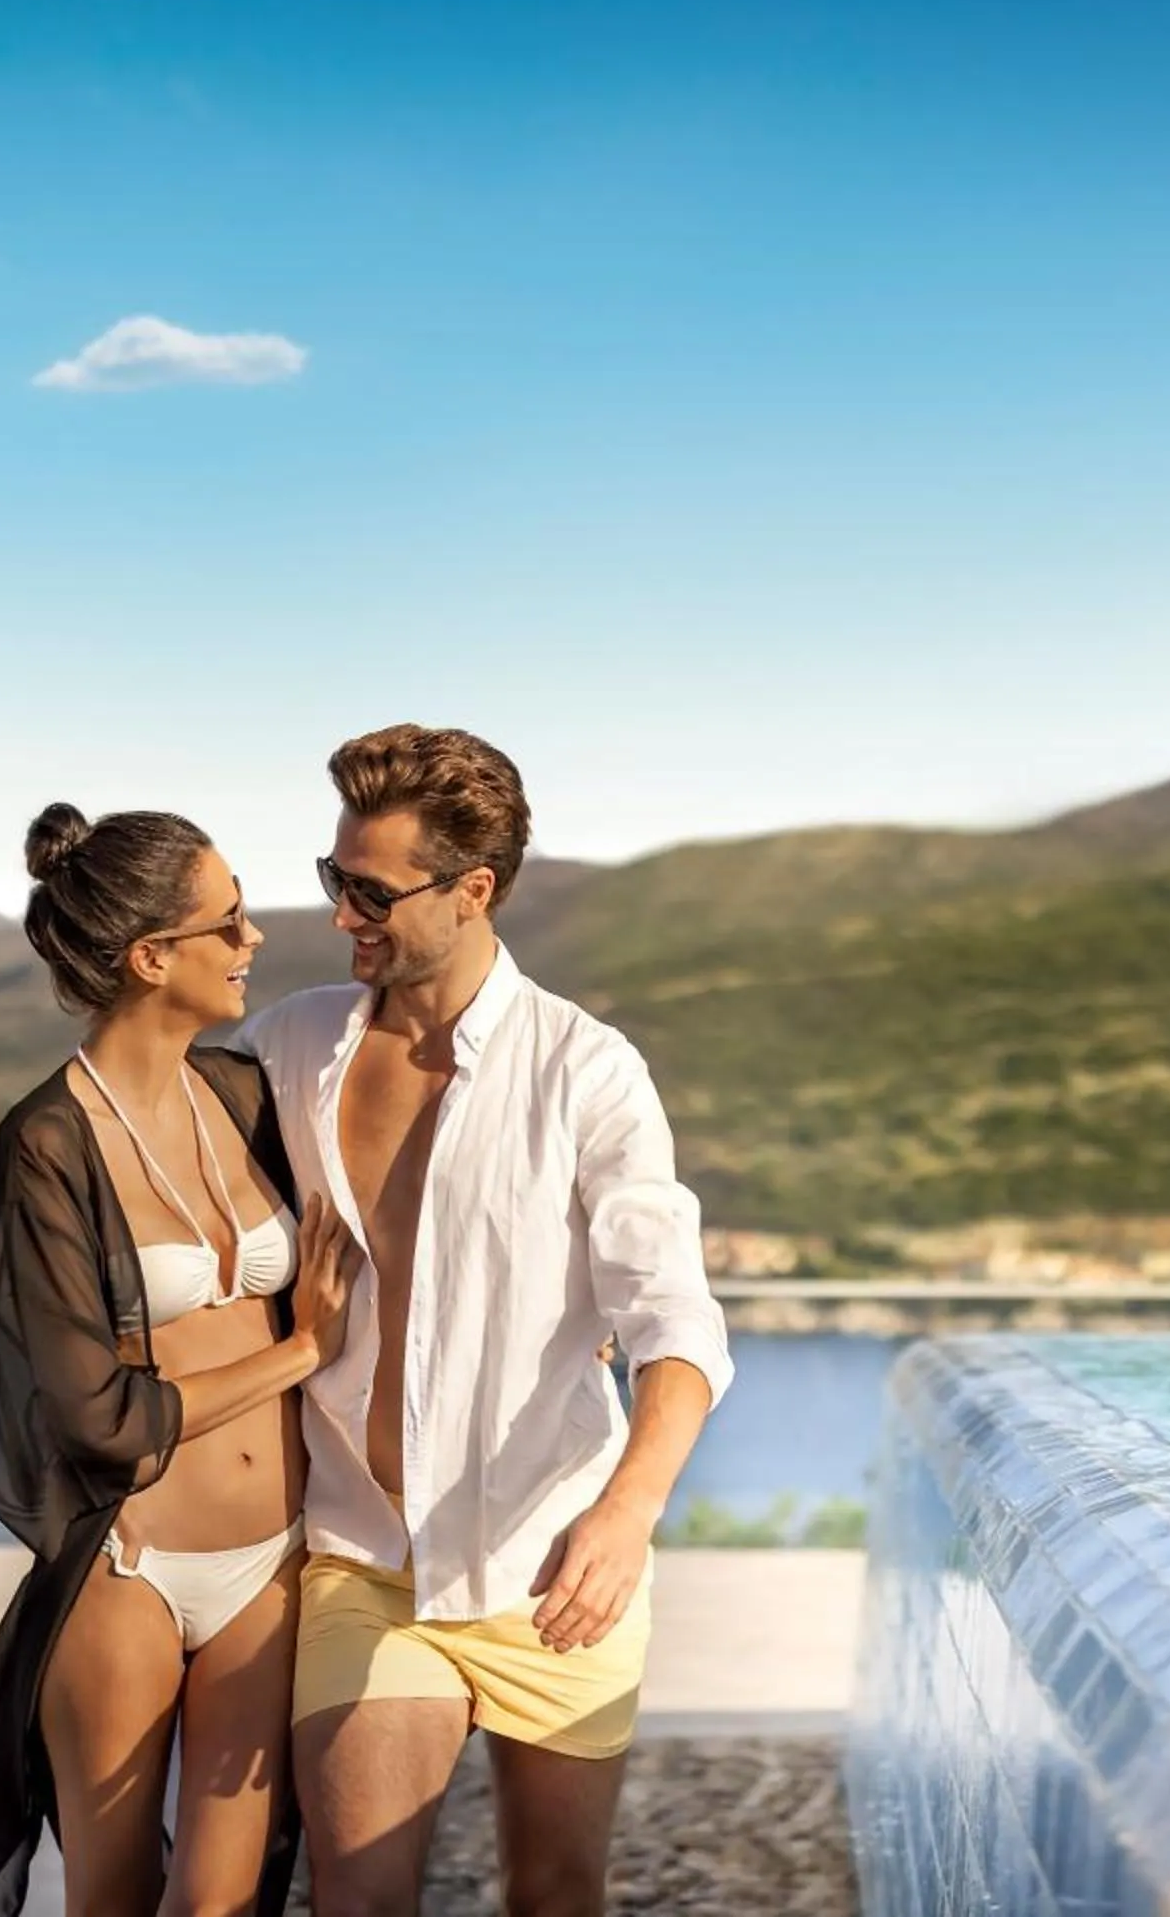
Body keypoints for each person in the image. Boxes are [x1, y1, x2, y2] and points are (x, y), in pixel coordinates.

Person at [238, 726, 735, 1917]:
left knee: (554, 1893)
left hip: (554, 1560)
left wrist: (626, 1515)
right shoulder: (288, 1044)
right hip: (365, 1556)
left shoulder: (586, 1070)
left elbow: (673, 1319)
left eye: (372, 891)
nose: (342, 915)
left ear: (475, 889)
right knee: (356, 1894)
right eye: (333, 879)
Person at [0, 804, 360, 1917]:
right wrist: (301, 1354)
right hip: (128, 1565)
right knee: (114, 1892)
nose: (254, 943)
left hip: (270, 1561)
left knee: (222, 1902)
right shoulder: (47, 1142)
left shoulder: (243, 1096)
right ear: (152, 957)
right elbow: (93, 1412)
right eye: (227, 924)